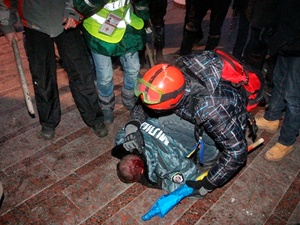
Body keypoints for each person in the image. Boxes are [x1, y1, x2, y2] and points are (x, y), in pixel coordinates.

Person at [115, 50, 250, 198]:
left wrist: (209, 183)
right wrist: (133, 127)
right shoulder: (173, 73)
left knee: (167, 122)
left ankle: (211, 156)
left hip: (224, 116)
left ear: (173, 101)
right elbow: (144, 103)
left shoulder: (211, 110)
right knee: (164, 120)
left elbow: (237, 152)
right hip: (208, 106)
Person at [2, 0, 108, 140]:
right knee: (42, 77)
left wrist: (75, 10)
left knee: (81, 71)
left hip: (66, 16)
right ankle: (48, 120)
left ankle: (94, 117)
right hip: (34, 22)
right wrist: (7, 25)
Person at [74, 0, 148, 123]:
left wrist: (144, 14)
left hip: (126, 27)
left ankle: (129, 97)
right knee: (105, 75)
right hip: (98, 31)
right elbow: (80, 5)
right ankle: (106, 104)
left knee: (134, 67)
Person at [255, 0, 300, 161]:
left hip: (296, 40)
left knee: (294, 98)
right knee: (279, 82)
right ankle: (271, 118)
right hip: (285, 38)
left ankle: (287, 141)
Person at [112, 117, 203, 192]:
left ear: (142, 172)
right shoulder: (127, 138)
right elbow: (121, 134)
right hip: (172, 118)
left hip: (195, 133)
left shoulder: (167, 165)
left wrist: (161, 184)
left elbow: (192, 178)